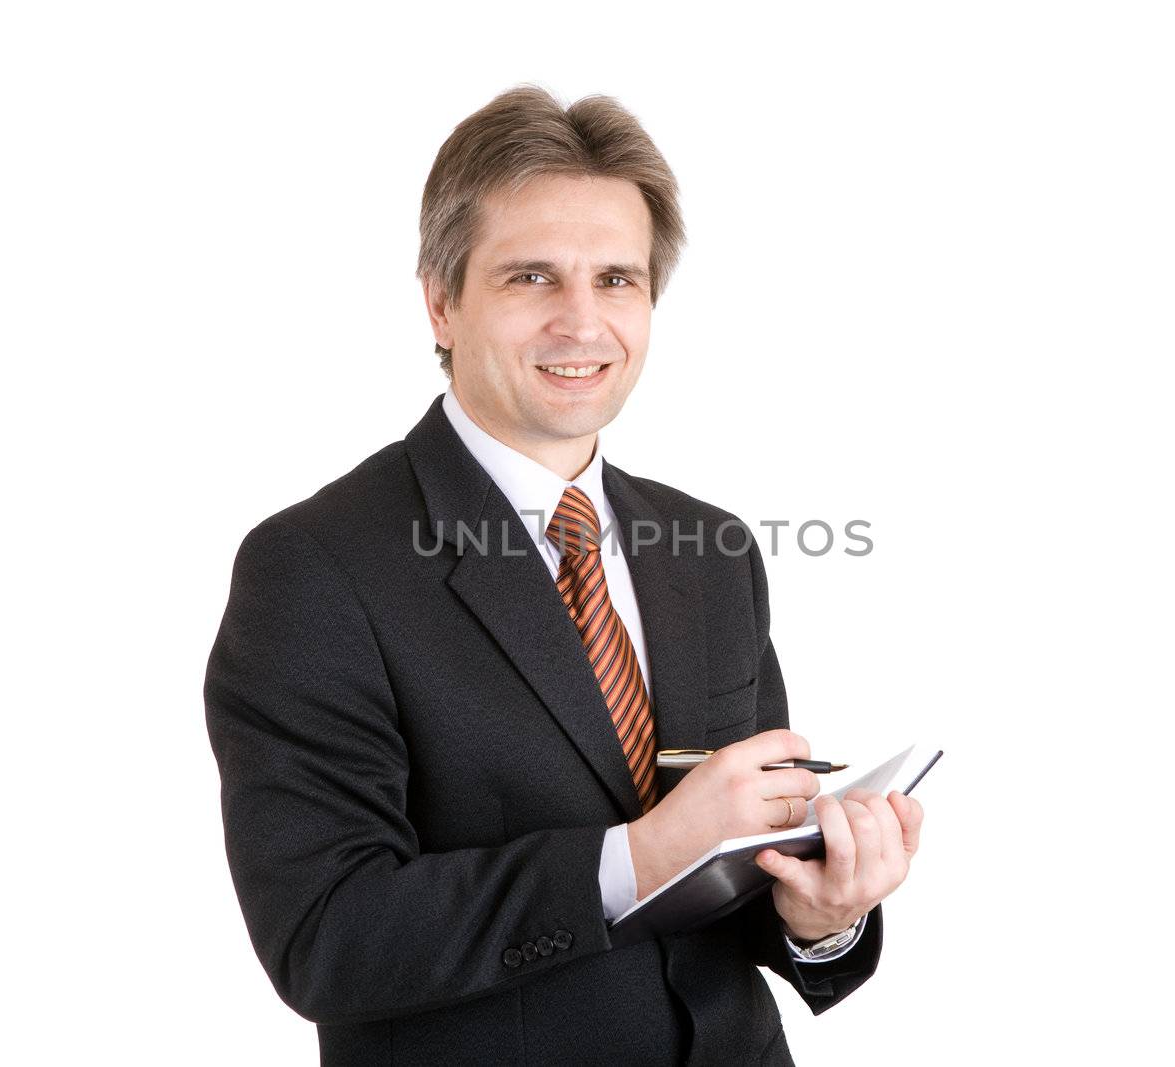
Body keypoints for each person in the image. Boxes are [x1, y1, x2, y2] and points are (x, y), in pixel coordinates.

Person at [204, 84, 926, 1066]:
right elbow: (329, 934)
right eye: (533, 277)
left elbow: (738, 881)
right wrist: (639, 854)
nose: (583, 324)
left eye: (618, 280)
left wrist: (823, 911)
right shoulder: (318, 569)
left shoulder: (708, 548)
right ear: (441, 299)